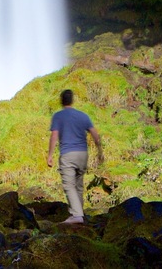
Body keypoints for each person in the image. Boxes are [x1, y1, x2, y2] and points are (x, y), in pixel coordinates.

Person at [47, 89, 103, 224]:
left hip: (68, 154)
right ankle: (80, 214)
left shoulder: (58, 116)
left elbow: (54, 135)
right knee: (78, 185)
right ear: (72, 100)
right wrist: (100, 151)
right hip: (82, 154)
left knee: (69, 185)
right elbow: (95, 134)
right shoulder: (83, 116)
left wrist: (50, 155)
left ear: (61, 101)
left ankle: (76, 215)